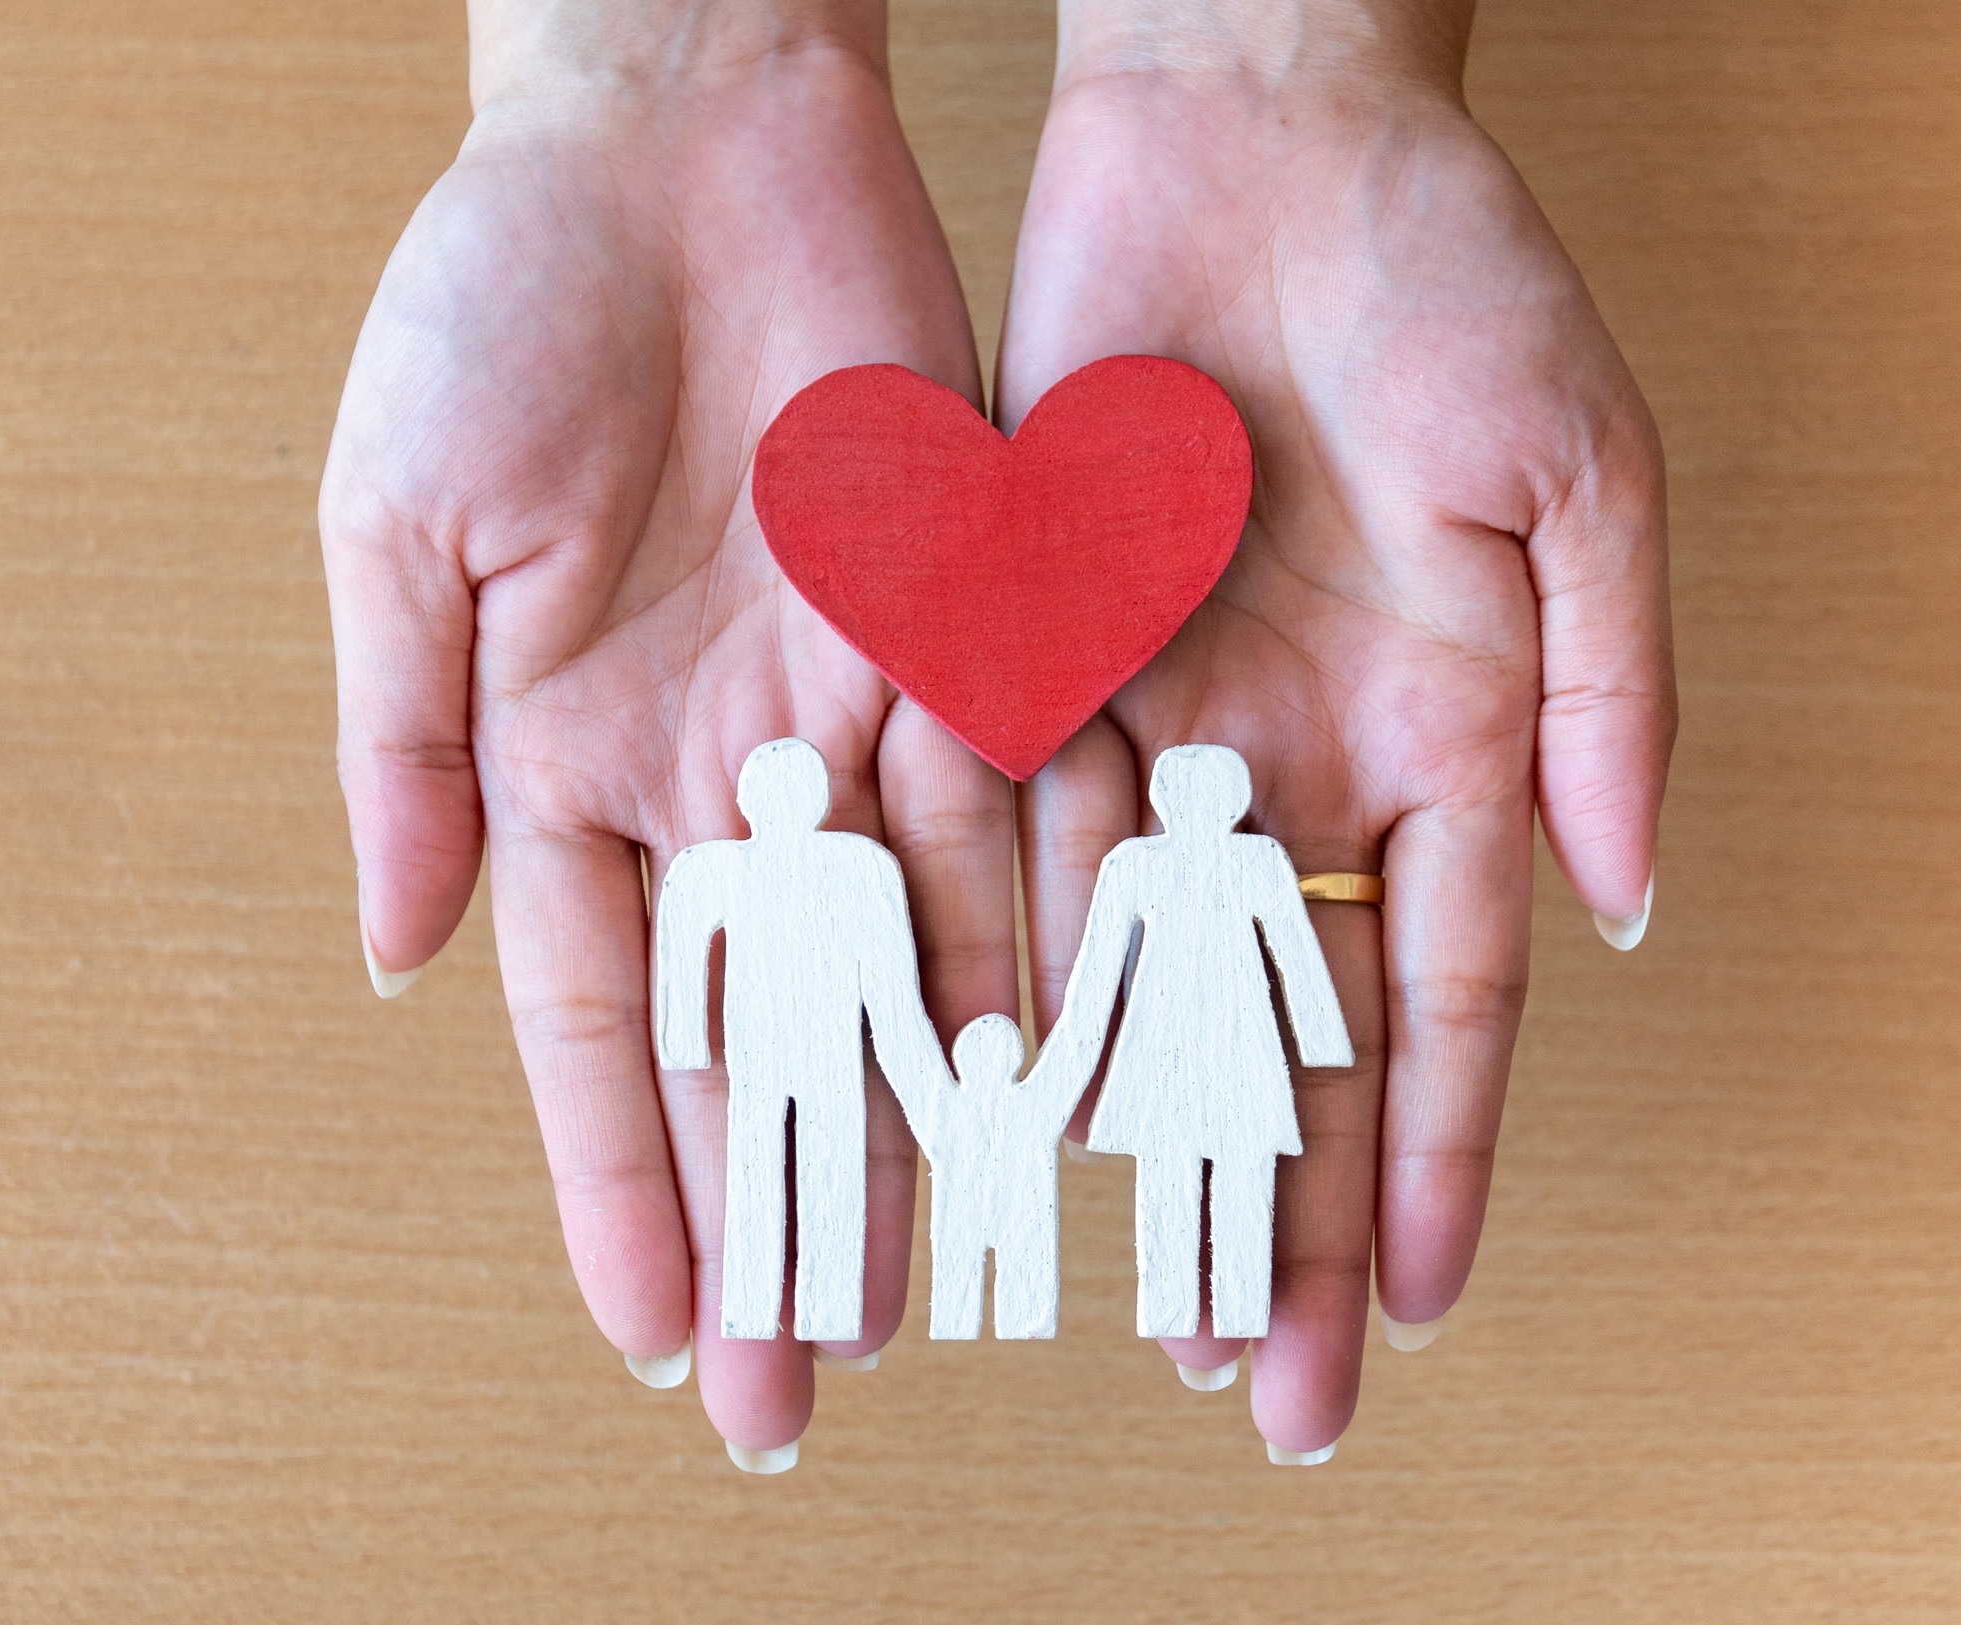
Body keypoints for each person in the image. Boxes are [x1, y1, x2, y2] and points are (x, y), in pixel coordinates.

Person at [319, 0, 1676, 1470]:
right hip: (856, 1044)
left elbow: (1238, 969)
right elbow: (740, 958)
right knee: (791, 1171)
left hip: (1190, 1059)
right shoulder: (876, 873)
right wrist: (652, 60)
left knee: (1187, 1201)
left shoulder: (1117, 870)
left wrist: (1276, 47)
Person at [652, 738, 940, 1345]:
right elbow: (891, 984)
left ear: (747, 800)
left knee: (780, 1167)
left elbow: (681, 937)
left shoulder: (844, 866)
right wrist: (682, 1041)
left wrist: (684, 1041)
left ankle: (780, 1302)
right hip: (797, 1050)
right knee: (806, 1165)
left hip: (804, 1049)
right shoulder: (856, 866)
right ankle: (778, 1304)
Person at [1060, 747, 1350, 1340]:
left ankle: (1232, 1303)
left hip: (1225, 1041)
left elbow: (1295, 952)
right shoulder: (1141, 863)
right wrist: (1076, 1051)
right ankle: (1175, 1303)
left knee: (1220, 1170)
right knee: (1182, 1173)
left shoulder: (1249, 861)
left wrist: (1322, 1038)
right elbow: (1097, 966)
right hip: (1183, 1044)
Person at [896, 1006, 1102, 1342]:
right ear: (1015, 1058)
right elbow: (1076, 1044)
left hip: (967, 1222)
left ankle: (968, 1323)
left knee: (959, 1307)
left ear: (961, 1059)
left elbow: (905, 1055)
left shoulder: (942, 1107)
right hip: (1019, 1220)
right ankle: (999, 1322)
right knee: (1017, 1309)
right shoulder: (1036, 1104)